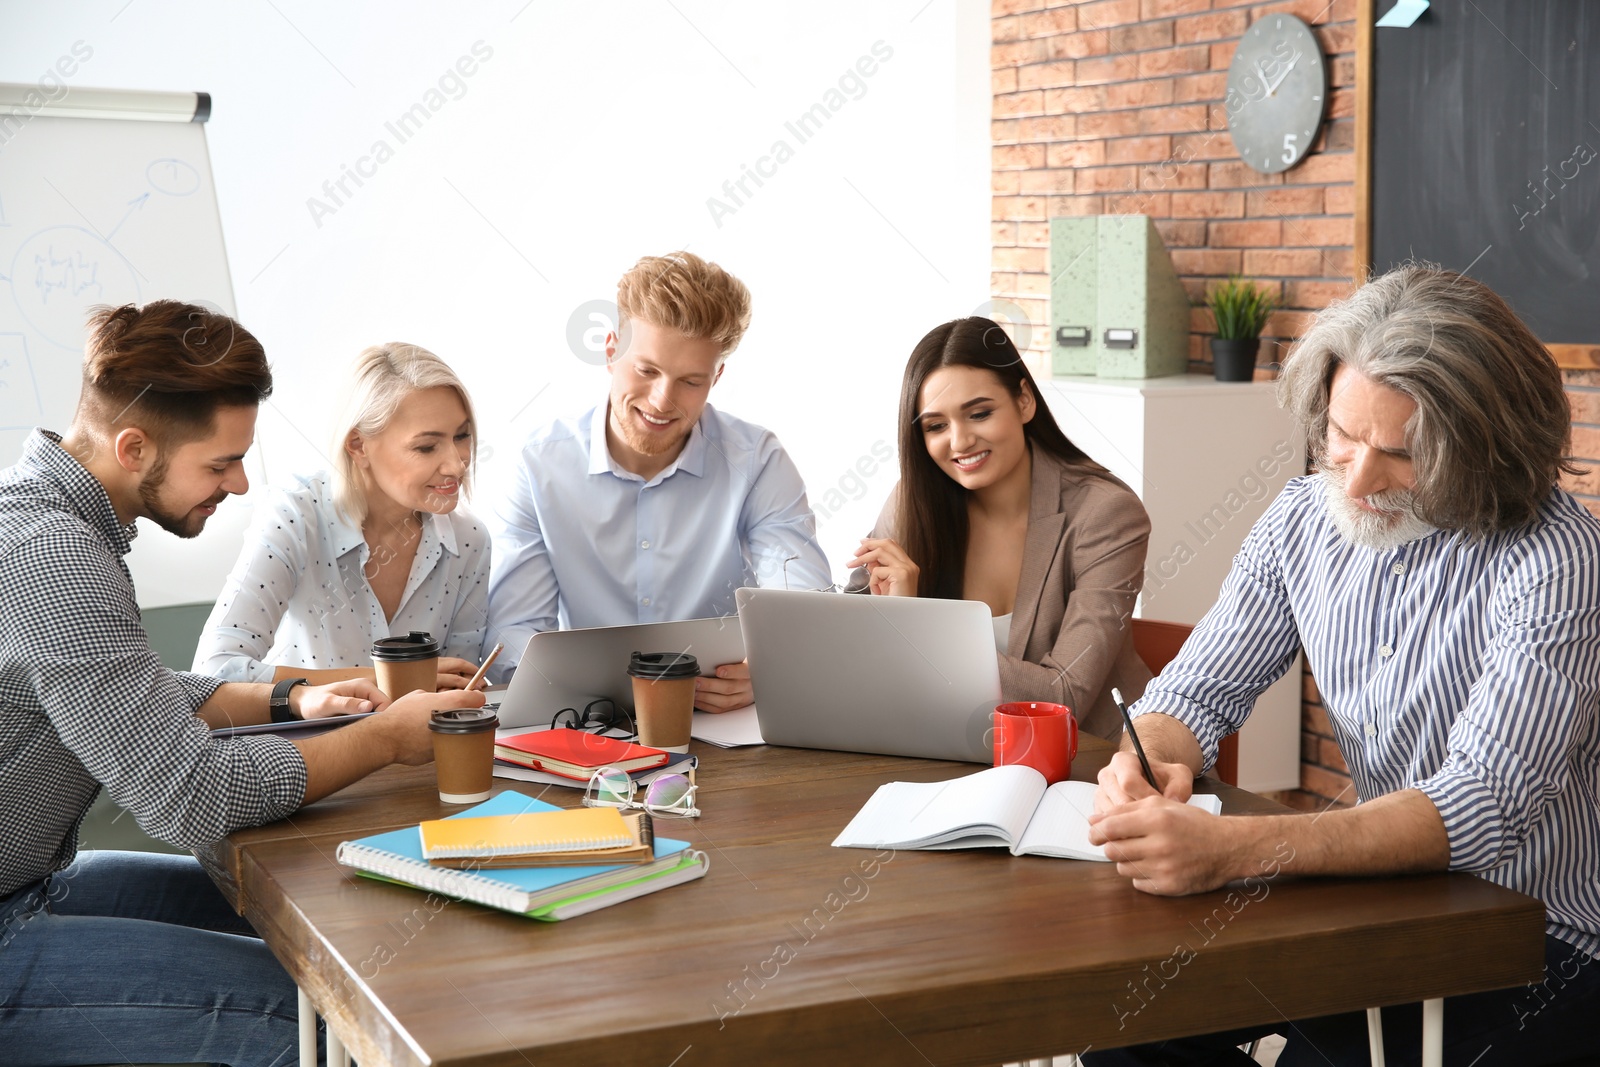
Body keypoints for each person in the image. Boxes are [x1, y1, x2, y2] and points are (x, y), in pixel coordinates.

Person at [1083, 267, 1600, 1065]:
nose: (1358, 481)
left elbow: (1484, 802)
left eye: (1402, 453)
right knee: (1127, 1022)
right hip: (1383, 905)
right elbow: (1195, 691)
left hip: (1541, 939)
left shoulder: (1556, 557)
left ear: (1486, 449)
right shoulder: (1302, 518)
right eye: (1343, 436)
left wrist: (1235, 851)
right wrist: (1147, 759)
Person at [0, 301, 483, 1067]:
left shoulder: (58, 521)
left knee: (326, 937)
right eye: (221, 463)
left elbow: (134, 689)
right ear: (134, 447)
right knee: (335, 1021)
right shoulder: (53, 556)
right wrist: (386, 737)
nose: (239, 481)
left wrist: (295, 698)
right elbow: (193, 795)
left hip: (33, 881)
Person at [483, 251, 828, 710]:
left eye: (690, 381)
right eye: (646, 371)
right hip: (586, 720)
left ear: (716, 377)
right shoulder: (538, 466)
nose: (662, 401)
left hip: (722, 717)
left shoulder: (757, 460)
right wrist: (586, 689)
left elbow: (805, 611)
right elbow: (513, 636)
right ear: (610, 351)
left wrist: (768, 668)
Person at [846, 317, 1152, 740]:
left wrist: (916, 623)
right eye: (936, 426)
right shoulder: (910, 504)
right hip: (949, 745)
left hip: (1093, 762)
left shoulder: (1106, 514)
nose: (959, 441)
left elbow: (1063, 698)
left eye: (979, 413)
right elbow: (848, 650)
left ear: (1024, 401)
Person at [194, 342, 489, 690]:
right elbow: (216, 671)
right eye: (426, 447)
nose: (457, 464)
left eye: (462, 436)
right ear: (359, 446)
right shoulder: (295, 516)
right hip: (308, 743)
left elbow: (458, 686)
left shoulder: (468, 538)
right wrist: (388, 680)